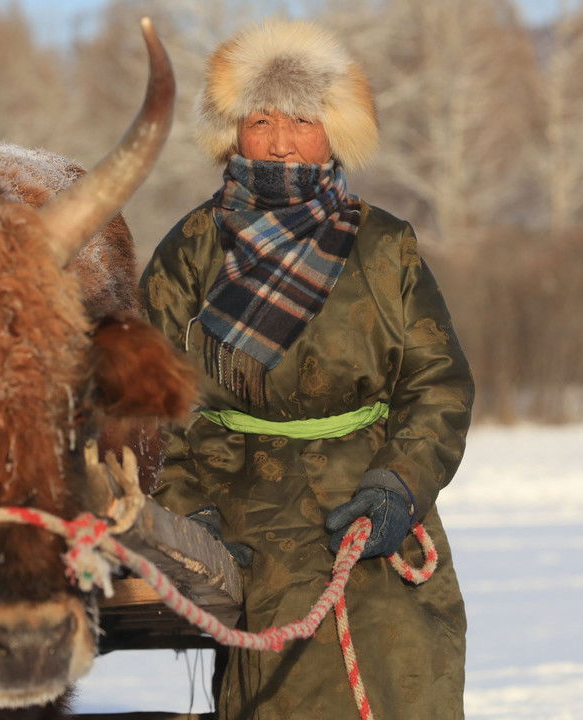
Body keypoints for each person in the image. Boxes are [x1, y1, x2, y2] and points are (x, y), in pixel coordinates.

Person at [139, 19, 474, 719]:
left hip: (371, 500)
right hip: (237, 509)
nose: (281, 140)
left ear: (335, 128)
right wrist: (183, 513)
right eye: (260, 120)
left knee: (404, 673)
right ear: (233, 132)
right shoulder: (194, 249)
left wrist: (399, 488)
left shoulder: (385, 248)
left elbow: (435, 384)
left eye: (301, 118)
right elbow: (146, 402)